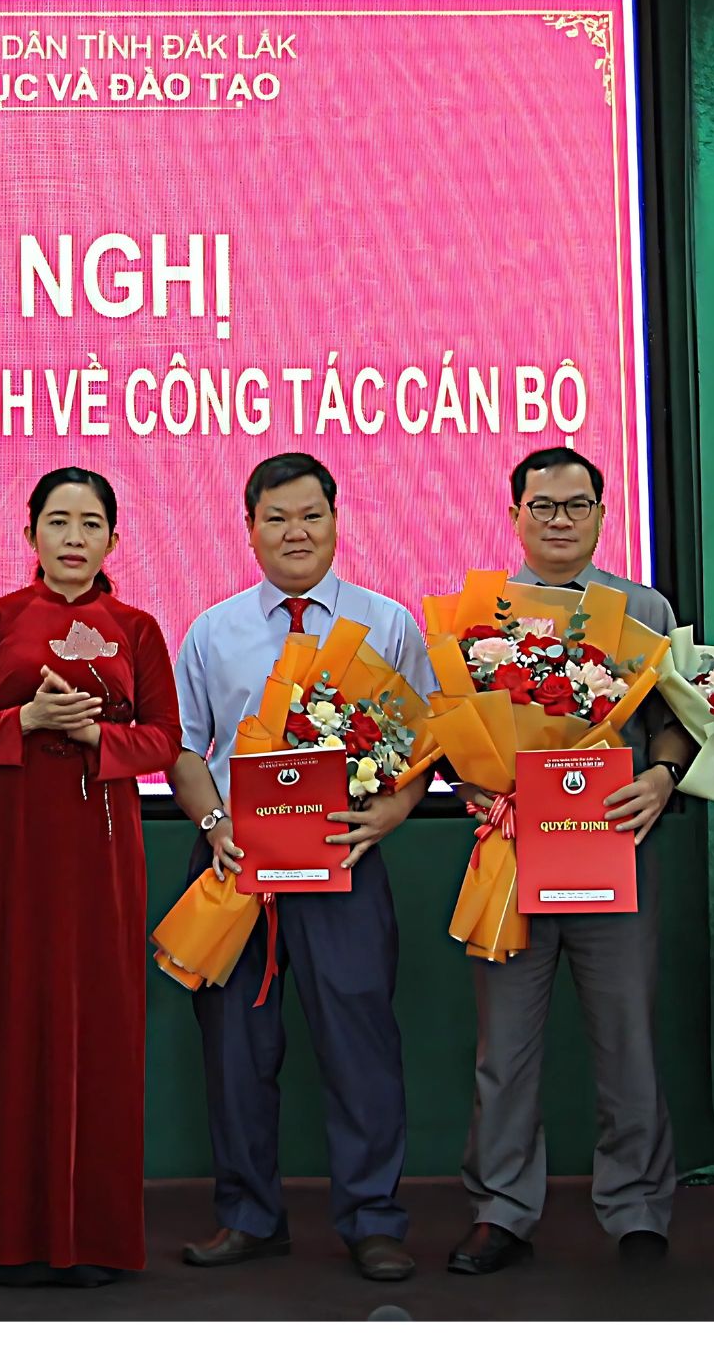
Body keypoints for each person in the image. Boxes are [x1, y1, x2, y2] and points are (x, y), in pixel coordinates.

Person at [167, 452, 432, 1283]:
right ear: (248, 530)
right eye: (276, 518)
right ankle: (249, 1215)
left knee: (360, 1044)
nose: (296, 533)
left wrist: (394, 810)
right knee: (236, 1051)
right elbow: (185, 748)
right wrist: (214, 824)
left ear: (336, 521)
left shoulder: (387, 623)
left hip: (344, 861)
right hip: (236, 863)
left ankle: (373, 1219)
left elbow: (429, 741)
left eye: (311, 515)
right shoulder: (212, 630)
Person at [450, 446, 691, 1276]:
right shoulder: (482, 615)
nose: (560, 520)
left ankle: (638, 1209)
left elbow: (675, 722)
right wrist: (474, 786)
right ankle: (500, 1210)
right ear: (514, 515)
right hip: (512, 857)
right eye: (543, 506)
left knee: (628, 1041)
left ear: (601, 514)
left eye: (576, 505)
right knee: (505, 1048)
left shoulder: (643, 608)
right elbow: (453, 734)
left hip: (614, 852)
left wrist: (662, 777)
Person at [0, 468, 179, 1287]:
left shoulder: (138, 628)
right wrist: (28, 721)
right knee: (10, 1014)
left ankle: (95, 1238)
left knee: (100, 1022)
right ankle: (8, 1236)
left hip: (104, 842)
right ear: (30, 535)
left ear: (114, 539)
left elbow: (166, 739)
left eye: (90, 524)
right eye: (57, 521)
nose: (73, 538)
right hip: (12, 840)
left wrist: (96, 739)